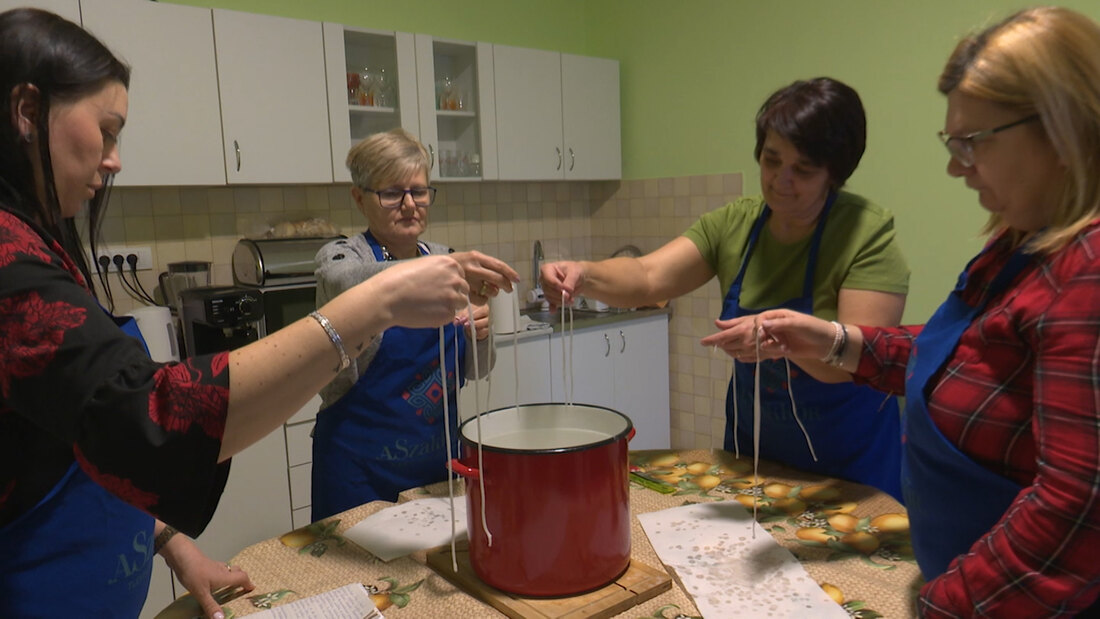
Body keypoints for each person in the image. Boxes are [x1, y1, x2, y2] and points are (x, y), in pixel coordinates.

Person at [0, 9, 516, 619]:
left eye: (420, 190)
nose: (114, 159)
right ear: (29, 113)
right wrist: (381, 301)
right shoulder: (11, 262)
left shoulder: (40, 245)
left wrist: (164, 539)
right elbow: (144, 420)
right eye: (107, 130)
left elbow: (76, 435)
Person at [724, 7, 1100, 616]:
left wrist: (946, 604)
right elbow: (968, 355)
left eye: (973, 142)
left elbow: (1079, 513)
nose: (956, 165)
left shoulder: (1090, 271)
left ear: (1061, 130)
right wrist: (835, 341)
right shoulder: (1020, 245)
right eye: (952, 142)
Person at [541, 77, 910, 499]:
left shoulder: (867, 233)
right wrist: (583, 273)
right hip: (755, 457)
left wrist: (785, 340)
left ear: (835, 173)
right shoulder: (737, 224)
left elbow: (858, 360)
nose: (780, 181)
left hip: (850, 467)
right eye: (771, 160)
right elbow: (647, 277)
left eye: (803, 170)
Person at [310, 128, 510, 520]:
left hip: (436, 466)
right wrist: (444, 269)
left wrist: (479, 334)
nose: (409, 204)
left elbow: (479, 369)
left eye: (419, 191)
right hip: (357, 471)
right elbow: (342, 284)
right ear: (359, 198)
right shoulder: (341, 258)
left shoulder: (444, 259)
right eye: (391, 193)